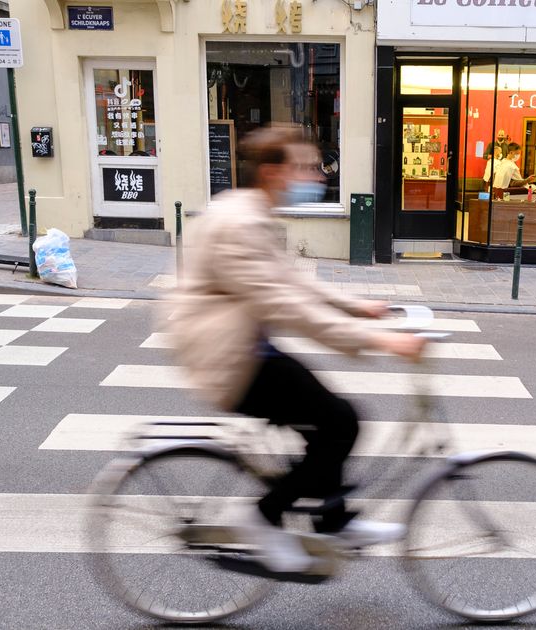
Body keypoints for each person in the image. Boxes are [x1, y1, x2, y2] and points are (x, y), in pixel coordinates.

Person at [165, 126, 427, 574]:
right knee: (341, 421)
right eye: (303, 168)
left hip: (247, 347)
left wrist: (357, 307)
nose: (316, 177)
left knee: (326, 424)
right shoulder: (240, 224)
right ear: (271, 171)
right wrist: (376, 339)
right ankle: (263, 518)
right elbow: (284, 304)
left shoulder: (250, 212)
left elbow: (291, 281)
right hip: (229, 361)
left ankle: (333, 519)